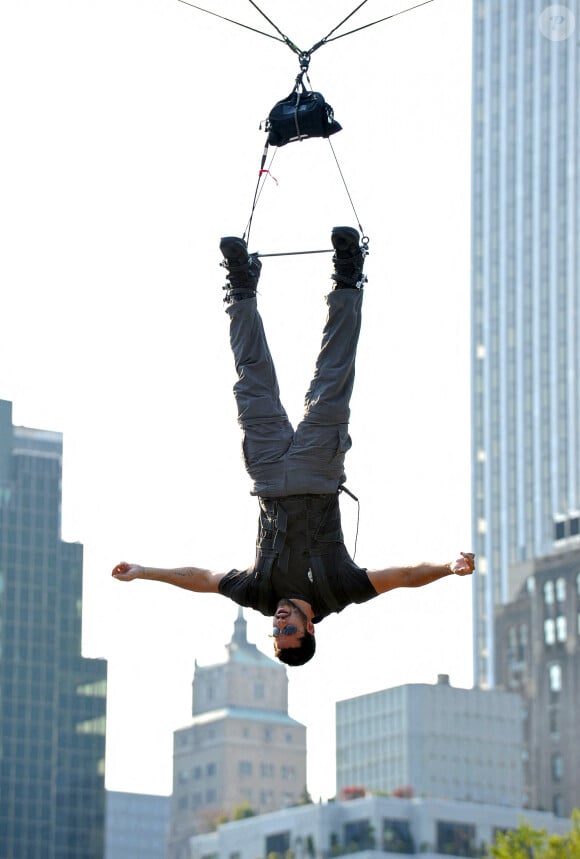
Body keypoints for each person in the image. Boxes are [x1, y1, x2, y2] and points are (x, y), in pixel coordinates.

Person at [112, 226, 475, 666]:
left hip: (266, 474)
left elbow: (204, 578)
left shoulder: (257, 594)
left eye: (276, 630)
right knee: (333, 373)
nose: (280, 621)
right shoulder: (339, 590)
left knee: (251, 377)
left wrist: (143, 572)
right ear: (310, 628)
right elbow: (402, 576)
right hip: (319, 469)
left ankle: (240, 285)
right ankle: (347, 275)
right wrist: (446, 569)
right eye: (290, 629)